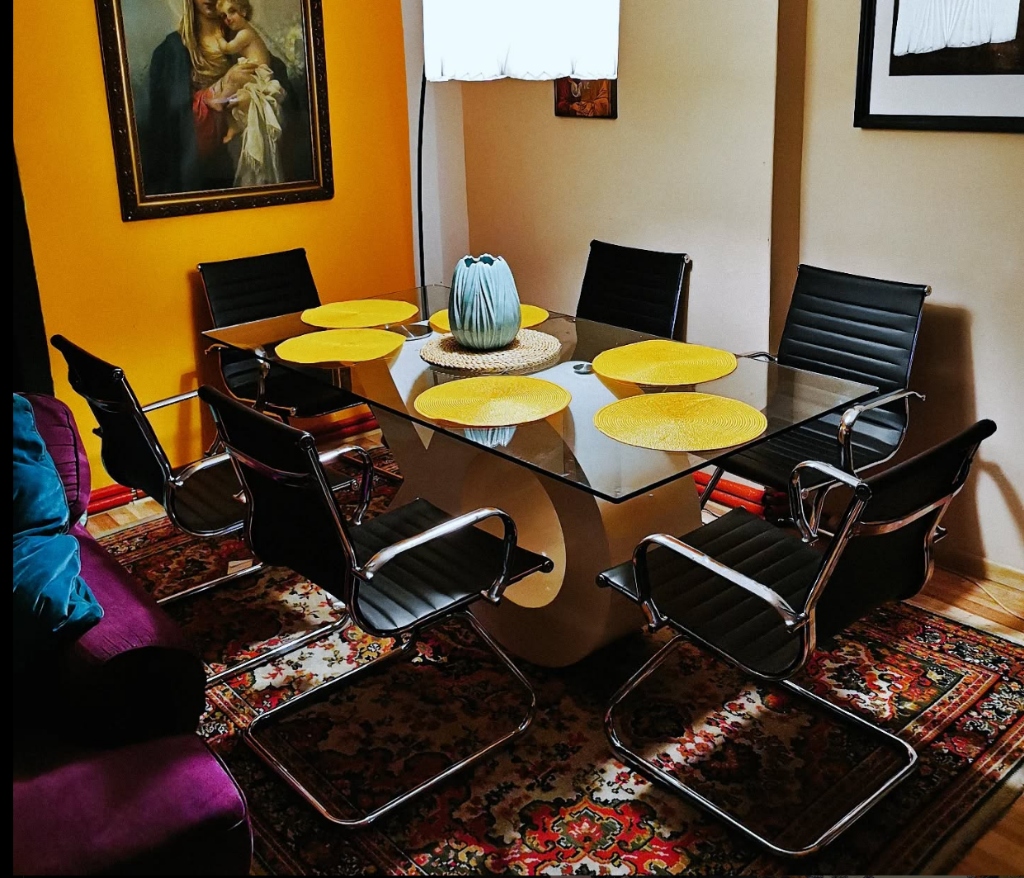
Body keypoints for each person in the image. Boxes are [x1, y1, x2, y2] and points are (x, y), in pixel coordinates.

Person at [141, 0, 307, 195]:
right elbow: (169, 130)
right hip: (203, 182)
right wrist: (217, 90)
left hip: (250, 173)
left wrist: (255, 104)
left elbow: (290, 113)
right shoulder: (170, 53)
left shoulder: (246, 39)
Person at [214, 0, 287, 186]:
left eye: (232, 12)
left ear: (244, 11)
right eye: (223, 16)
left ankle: (220, 100)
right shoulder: (244, 32)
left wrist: (219, 38)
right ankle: (233, 126)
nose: (228, 19)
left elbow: (228, 48)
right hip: (255, 74)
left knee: (234, 79)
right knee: (234, 95)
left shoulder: (245, 33)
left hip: (259, 76)